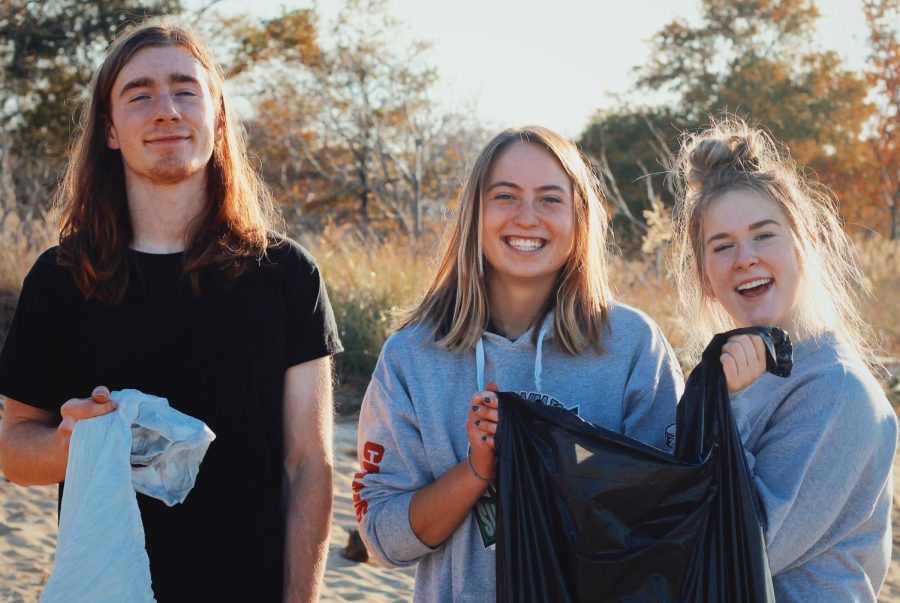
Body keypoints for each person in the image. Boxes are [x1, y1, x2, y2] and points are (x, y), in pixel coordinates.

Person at [0, 18, 342, 603]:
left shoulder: (286, 275)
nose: (166, 110)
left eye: (186, 90)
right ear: (110, 129)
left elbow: (308, 465)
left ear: (218, 117)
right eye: (139, 95)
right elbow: (13, 448)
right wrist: (72, 442)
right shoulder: (60, 278)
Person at [352, 126, 689, 603]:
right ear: (475, 213)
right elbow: (383, 540)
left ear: (580, 219)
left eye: (550, 199)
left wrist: (558, 452)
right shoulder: (413, 354)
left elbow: (668, 521)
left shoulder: (633, 346)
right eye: (505, 196)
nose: (527, 217)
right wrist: (476, 470)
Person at [670, 118, 897, 601]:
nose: (744, 258)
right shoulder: (733, 376)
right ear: (706, 274)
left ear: (806, 245)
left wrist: (728, 408)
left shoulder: (836, 391)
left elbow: (735, 554)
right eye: (722, 246)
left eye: (764, 235)